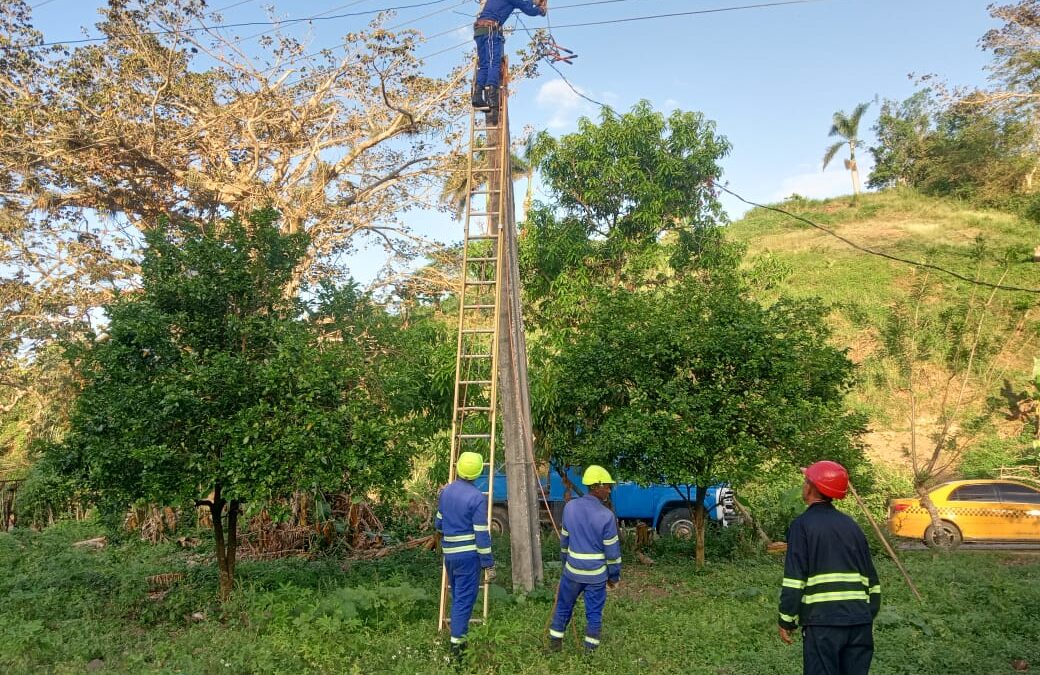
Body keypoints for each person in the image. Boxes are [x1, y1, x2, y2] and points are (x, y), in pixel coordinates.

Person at [778, 460, 881, 675]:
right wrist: (865, 614)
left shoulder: (802, 525)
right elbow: (871, 578)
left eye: (805, 481)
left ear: (812, 487)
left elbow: (794, 579)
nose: (803, 485)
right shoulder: (851, 525)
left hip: (823, 623)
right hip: (859, 621)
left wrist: (786, 619)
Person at [548, 465, 622, 653]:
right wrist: (613, 577)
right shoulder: (607, 516)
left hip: (572, 572)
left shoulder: (570, 507)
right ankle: (589, 654)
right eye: (607, 486)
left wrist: (566, 565)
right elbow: (612, 555)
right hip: (596, 576)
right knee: (594, 613)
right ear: (596, 487)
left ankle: (555, 646)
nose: (609, 489)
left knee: (563, 607)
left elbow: (564, 542)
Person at [436, 451, 495, 662]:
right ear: (479, 472)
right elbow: (481, 533)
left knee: (458, 596)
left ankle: (459, 641)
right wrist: (489, 563)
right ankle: (457, 652)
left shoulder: (445, 492)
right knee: (463, 601)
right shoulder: (477, 497)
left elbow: (438, 524)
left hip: (449, 556)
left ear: (458, 468)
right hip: (468, 557)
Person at [472, 0, 547, 114]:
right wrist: (540, 10)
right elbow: (529, 10)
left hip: (479, 31)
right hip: (490, 30)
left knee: (484, 65)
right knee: (493, 62)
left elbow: (524, 3)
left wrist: (533, 2)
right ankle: (492, 98)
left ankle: (477, 96)